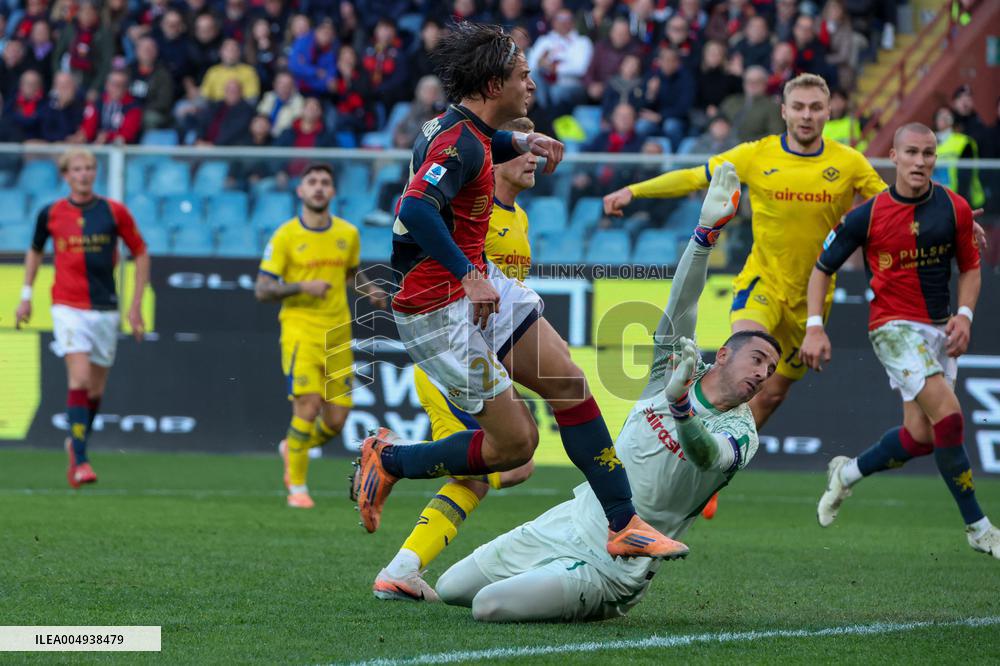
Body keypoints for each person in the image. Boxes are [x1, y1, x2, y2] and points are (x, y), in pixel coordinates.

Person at [352, 22, 684, 561]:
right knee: (516, 446)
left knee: (570, 384)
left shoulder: (463, 127)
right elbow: (414, 207)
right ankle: (390, 461)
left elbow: (483, 144)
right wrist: (467, 272)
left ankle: (623, 524)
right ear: (491, 86)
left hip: (482, 287)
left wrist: (522, 140)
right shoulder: (458, 141)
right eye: (521, 76)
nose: (530, 84)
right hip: (438, 309)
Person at [436, 163, 783, 621]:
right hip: (572, 519)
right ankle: (557, 582)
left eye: (772, 369)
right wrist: (703, 236)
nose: (763, 373)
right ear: (722, 355)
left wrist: (680, 407)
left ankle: (601, 599)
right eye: (757, 359)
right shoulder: (675, 369)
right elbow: (682, 303)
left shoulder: (742, 432)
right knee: (449, 588)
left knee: (488, 606)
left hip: (617, 562)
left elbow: (705, 456)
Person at [604, 74, 886, 431]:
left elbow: (894, 207)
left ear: (829, 112)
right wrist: (634, 191)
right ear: (784, 111)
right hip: (761, 284)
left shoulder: (849, 163)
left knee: (769, 396)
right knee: (744, 364)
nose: (806, 115)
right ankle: (681, 440)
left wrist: (950, 215)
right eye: (798, 107)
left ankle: (719, 464)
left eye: (815, 107)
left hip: (811, 298)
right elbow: (694, 177)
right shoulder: (757, 154)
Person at [800, 123, 999, 559]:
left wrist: (965, 316)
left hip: (938, 329)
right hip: (891, 328)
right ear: (894, 156)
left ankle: (846, 474)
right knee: (949, 419)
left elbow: (970, 267)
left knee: (920, 437)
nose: (921, 161)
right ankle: (978, 527)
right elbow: (821, 269)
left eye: (929, 153)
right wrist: (815, 325)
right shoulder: (866, 216)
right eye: (911, 152)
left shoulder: (954, 208)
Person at [374, 117, 539, 601]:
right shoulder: (473, 215)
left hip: (483, 358)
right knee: (485, 470)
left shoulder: (520, 218)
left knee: (509, 465)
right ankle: (387, 465)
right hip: (453, 356)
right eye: (521, 144)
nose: (531, 156)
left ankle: (402, 564)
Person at [255, 163, 387, 509]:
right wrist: (302, 286)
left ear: (332, 192)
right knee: (308, 405)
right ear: (300, 191)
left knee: (337, 419)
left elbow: (351, 275)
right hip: (299, 331)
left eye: (325, 182)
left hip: (338, 333)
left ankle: (293, 446)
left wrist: (371, 291)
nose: (318, 188)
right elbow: (263, 288)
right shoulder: (285, 236)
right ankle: (297, 486)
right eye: (311, 182)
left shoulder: (347, 233)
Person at [14, 148, 149, 489]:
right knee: (79, 378)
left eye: (89, 168)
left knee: (95, 387)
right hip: (67, 305)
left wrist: (135, 307)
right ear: (66, 175)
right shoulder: (51, 213)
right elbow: (35, 250)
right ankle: (82, 460)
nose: (84, 174)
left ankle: (75, 445)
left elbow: (141, 252)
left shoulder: (114, 212)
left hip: (105, 308)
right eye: (77, 169)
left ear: (95, 172)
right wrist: (26, 296)